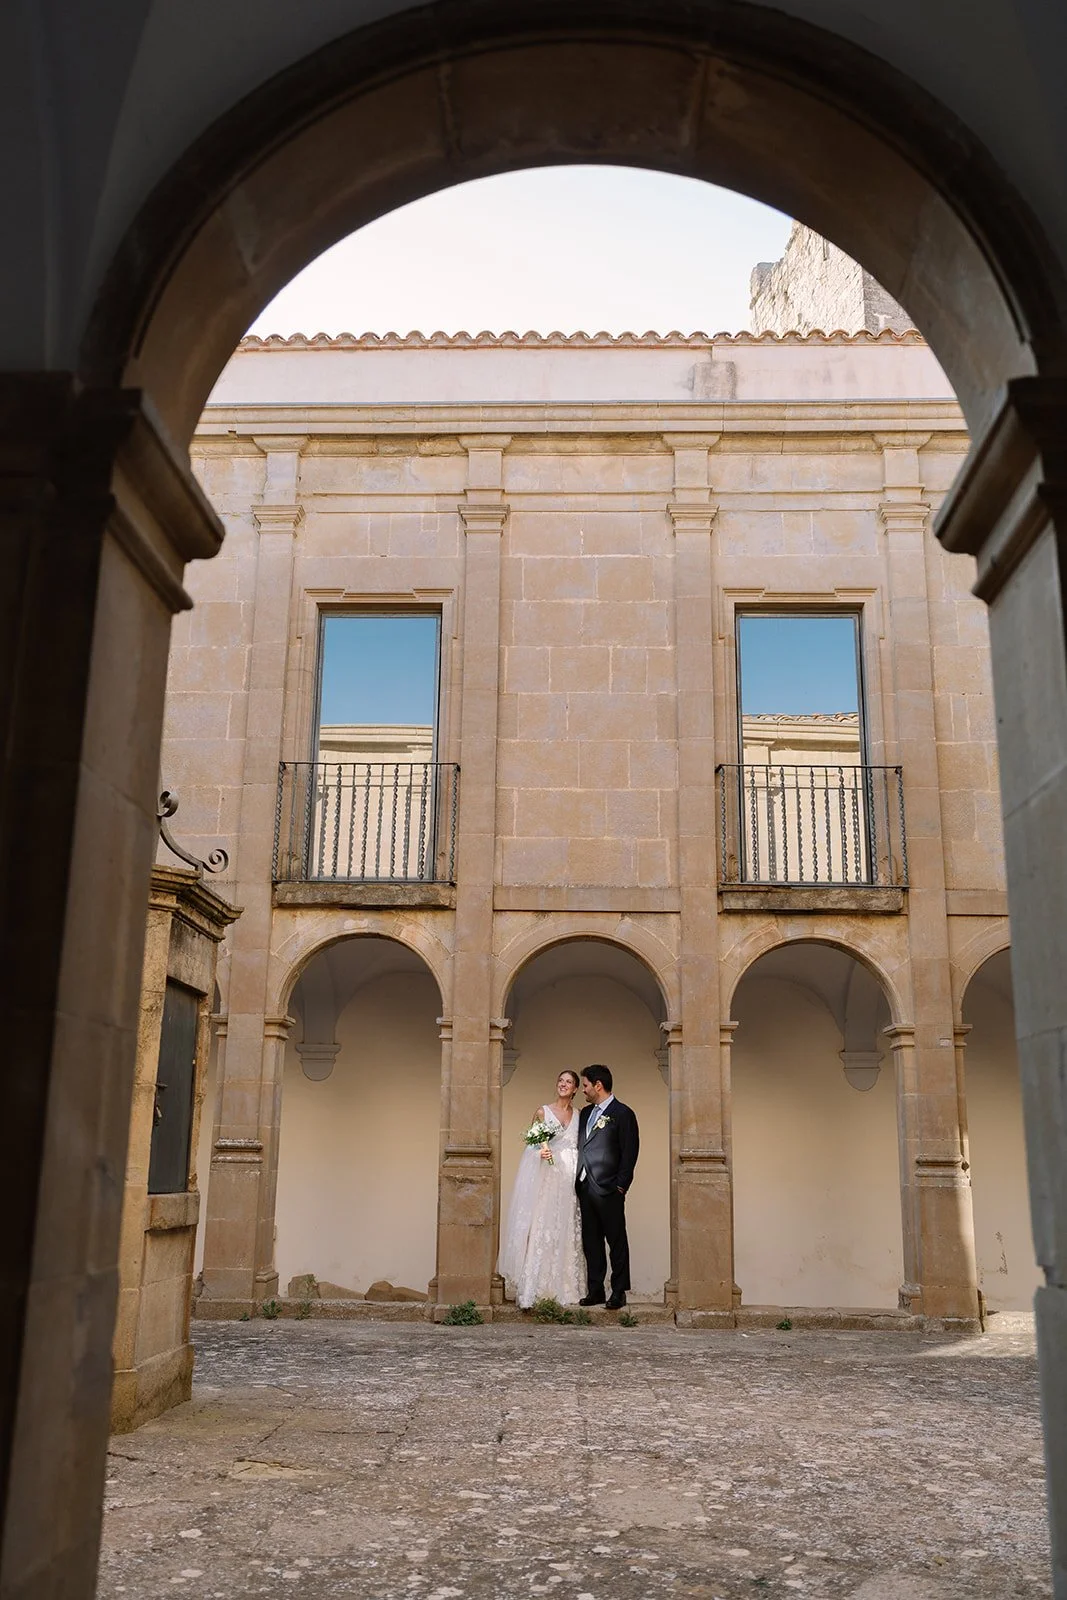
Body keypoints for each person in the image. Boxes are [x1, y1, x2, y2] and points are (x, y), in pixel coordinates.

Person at [497, 1070, 587, 1308]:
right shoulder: (542, 1112)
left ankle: (566, 1288)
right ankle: (536, 1288)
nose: (563, 1084)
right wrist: (539, 1153)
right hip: (547, 1178)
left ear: (575, 1089)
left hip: (569, 1180)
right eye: (560, 1081)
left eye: (569, 1082)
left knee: (566, 1226)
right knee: (542, 1225)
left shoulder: (579, 1115)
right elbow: (530, 1146)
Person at [576, 1064, 639, 1311]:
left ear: (598, 1085)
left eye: (585, 1085)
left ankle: (619, 1292)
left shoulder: (623, 1113)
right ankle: (596, 1290)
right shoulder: (585, 1113)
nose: (583, 1090)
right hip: (585, 1186)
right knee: (591, 1242)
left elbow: (629, 1151)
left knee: (616, 1241)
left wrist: (621, 1185)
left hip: (610, 1188)